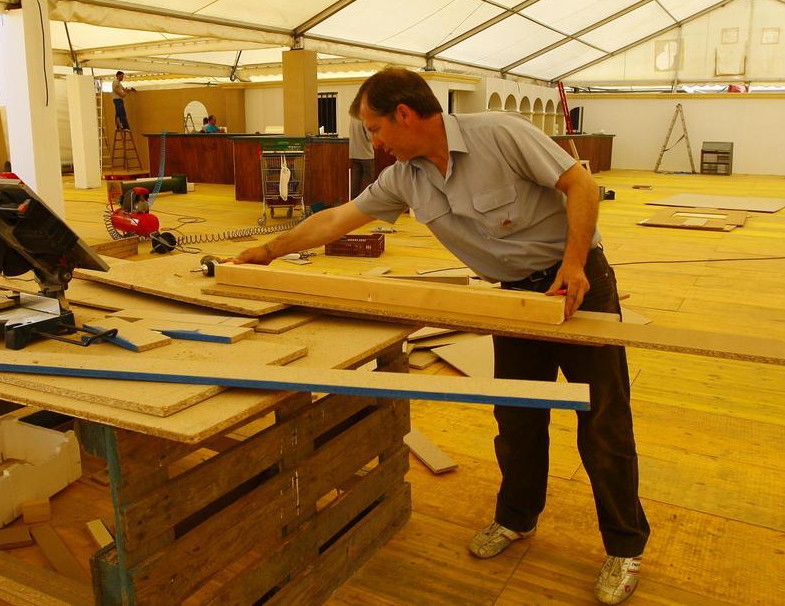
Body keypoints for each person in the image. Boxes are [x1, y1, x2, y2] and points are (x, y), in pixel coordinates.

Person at [235, 68, 648, 604]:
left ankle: (624, 546)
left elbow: (581, 184)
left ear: (404, 115)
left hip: (577, 286)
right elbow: (337, 220)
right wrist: (269, 252)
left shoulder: (500, 132)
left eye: (376, 129)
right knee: (518, 416)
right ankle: (516, 517)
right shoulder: (404, 178)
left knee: (602, 420)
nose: (375, 143)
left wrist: (574, 265)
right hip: (514, 299)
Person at [348, 115, 375, 198]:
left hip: (354, 153)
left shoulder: (353, 116)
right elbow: (369, 136)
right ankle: (366, 203)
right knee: (368, 181)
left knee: (355, 181)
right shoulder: (364, 116)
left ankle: (353, 203)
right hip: (366, 154)